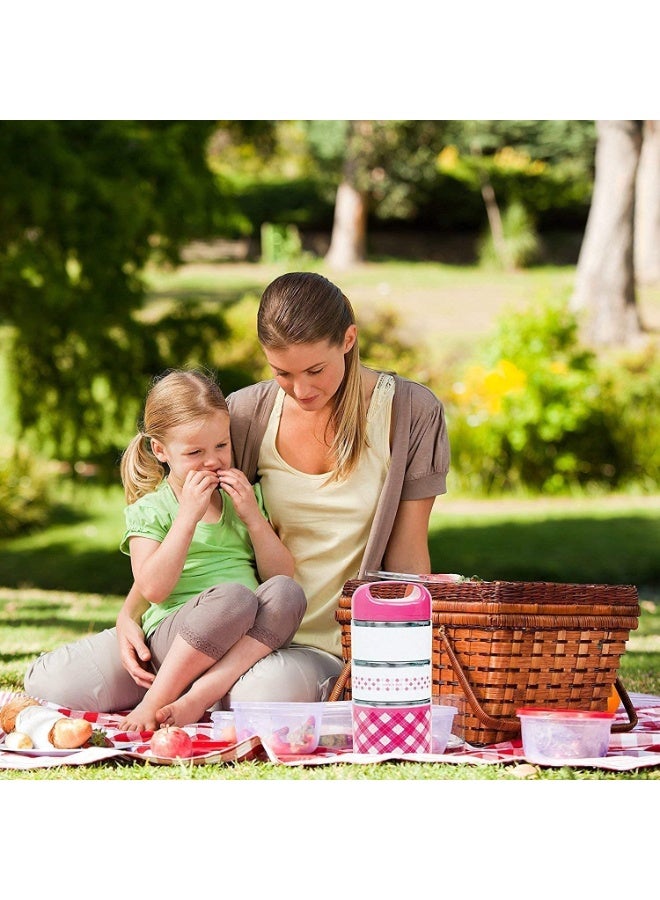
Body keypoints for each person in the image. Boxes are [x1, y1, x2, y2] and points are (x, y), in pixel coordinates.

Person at [24, 272, 449, 712]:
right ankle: (177, 691)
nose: (301, 390)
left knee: (261, 695)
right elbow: (193, 524)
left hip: (311, 644)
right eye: (282, 372)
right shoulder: (246, 414)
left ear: (348, 339)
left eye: (315, 370)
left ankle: (183, 697)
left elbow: (408, 562)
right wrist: (128, 614)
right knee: (54, 684)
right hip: (216, 623)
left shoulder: (411, 413)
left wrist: (407, 666)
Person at [74, 368, 305, 729]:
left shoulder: (244, 499)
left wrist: (253, 518)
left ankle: (199, 697)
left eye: (222, 446)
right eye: (195, 451)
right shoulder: (151, 510)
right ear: (161, 451)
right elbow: (153, 588)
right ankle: (157, 698)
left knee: (289, 592)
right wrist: (187, 519)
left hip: (244, 632)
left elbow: (279, 574)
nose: (213, 460)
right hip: (179, 635)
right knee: (235, 598)